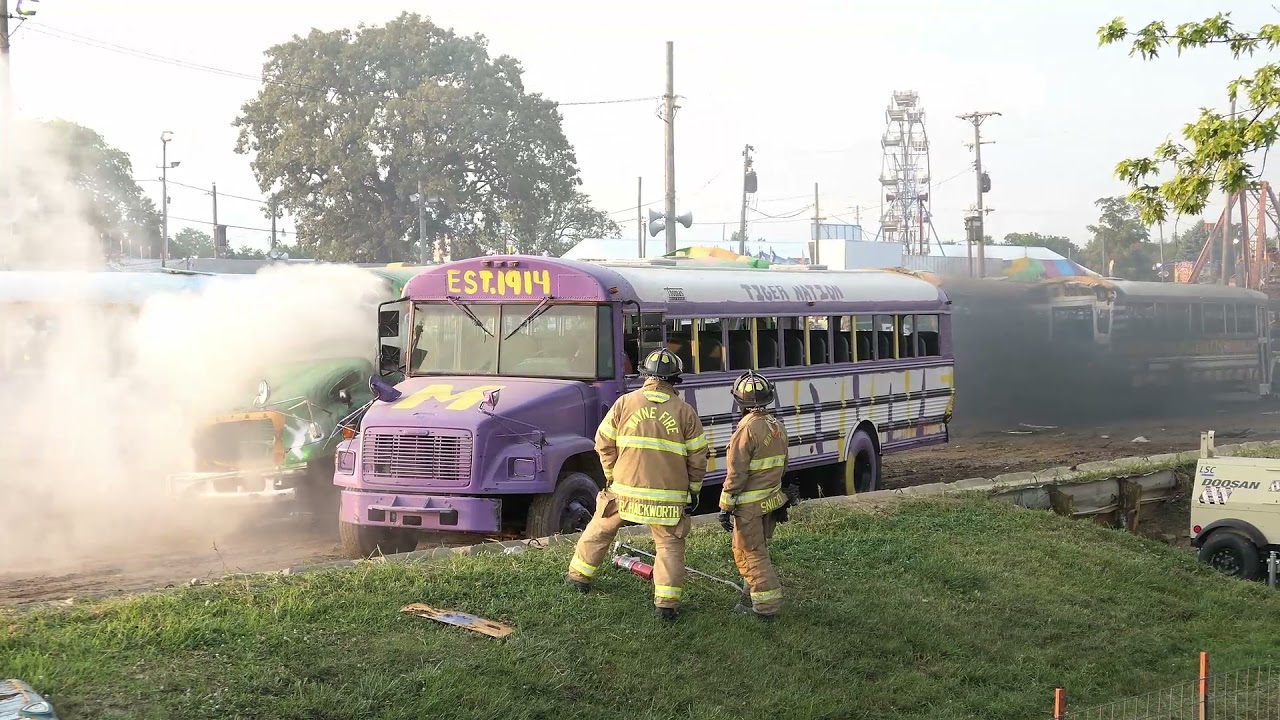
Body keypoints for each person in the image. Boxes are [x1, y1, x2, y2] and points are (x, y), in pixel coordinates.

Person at [566, 348, 709, 621]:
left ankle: (578, 578)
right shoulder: (686, 412)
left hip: (624, 492)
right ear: (674, 379)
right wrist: (693, 492)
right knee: (669, 546)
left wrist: (612, 474)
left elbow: (603, 443)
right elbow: (698, 459)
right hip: (667, 500)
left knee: (599, 530)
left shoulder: (624, 403)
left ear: (645, 375)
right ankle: (666, 606)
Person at [719, 370, 790, 621]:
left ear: (740, 402)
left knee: (750, 553)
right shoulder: (777, 426)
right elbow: (783, 466)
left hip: (748, 506)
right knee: (759, 549)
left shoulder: (746, 430)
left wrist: (725, 506)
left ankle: (765, 608)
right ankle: (752, 595)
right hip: (771, 501)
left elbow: (736, 474)